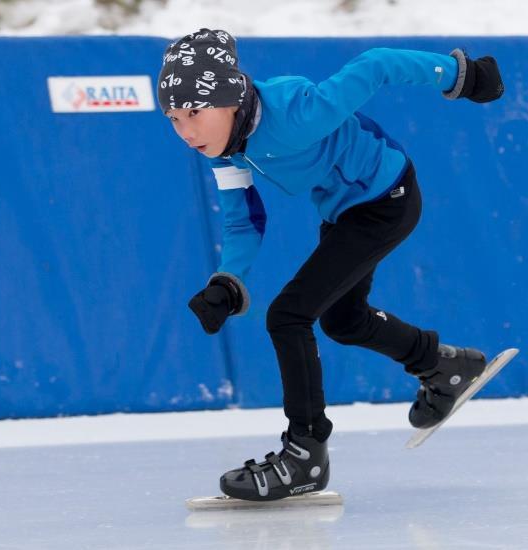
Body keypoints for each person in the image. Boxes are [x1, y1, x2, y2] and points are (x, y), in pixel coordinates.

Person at [156, 28, 504, 501]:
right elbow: (243, 223)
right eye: (174, 118)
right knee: (343, 320)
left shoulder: (296, 112)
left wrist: (461, 76)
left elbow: (377, 64)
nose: (185, 131)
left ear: (231, 99)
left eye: (194, 113)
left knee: (288, 316)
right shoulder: (226, 149)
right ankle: (444, 366)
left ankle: (305, 454)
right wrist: (228, 282)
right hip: (344, 212)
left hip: (387, 199)